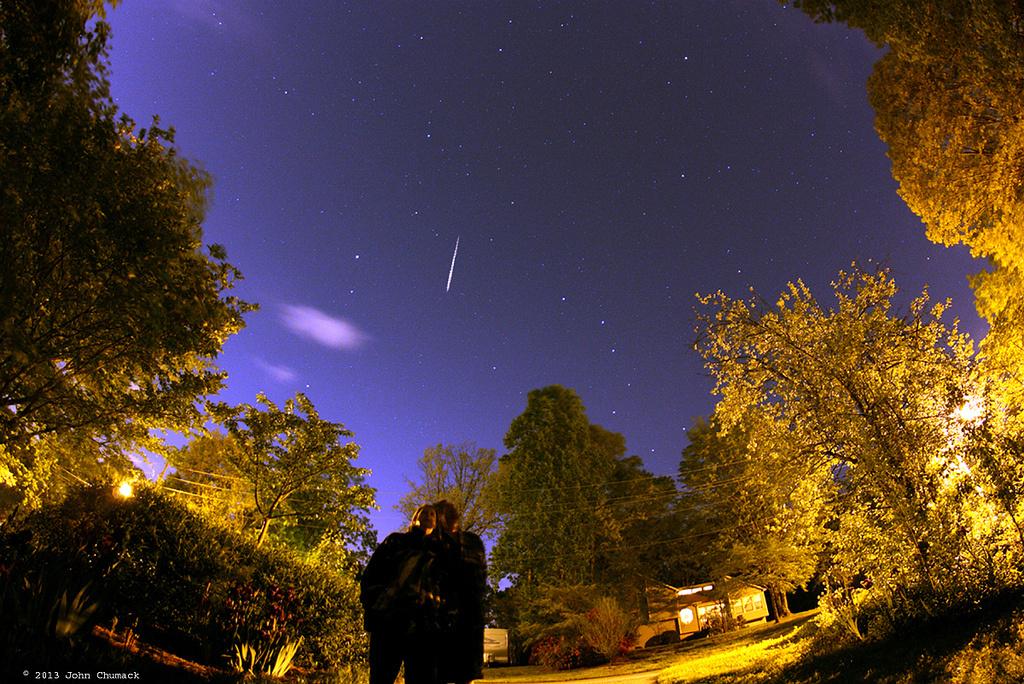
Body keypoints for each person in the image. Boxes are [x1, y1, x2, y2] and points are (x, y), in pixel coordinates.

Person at [360, 504, 448, 684]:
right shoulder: (396, 541)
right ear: (415, 518)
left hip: (424, 627)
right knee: (381, 676)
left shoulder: (440, 553)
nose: (428, 516)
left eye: (433, 514)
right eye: (424, 512)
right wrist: (374, 604)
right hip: (389, 622)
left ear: (436, 522)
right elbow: (372, 573)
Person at [432, 500, 487, 684]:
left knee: (465, 672)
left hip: (469, 614)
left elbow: (481, 574)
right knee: (441, 671)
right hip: (441, 616)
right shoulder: (433, 543)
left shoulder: (472, 541)